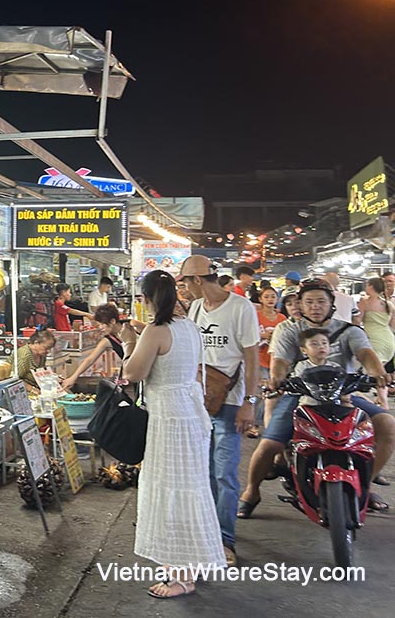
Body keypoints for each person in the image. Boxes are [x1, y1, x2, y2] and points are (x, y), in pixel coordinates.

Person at [238, 279, 395, 516]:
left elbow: (366, 354)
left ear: (332, 303)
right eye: (309, 302)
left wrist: (378, 374)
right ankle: (251, 491)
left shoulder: (350, 331)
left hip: (344, 394)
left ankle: (364, 485)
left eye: (321, 301)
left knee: (387, 424)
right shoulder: (288, 329)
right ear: (300, 304)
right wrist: (277, 379)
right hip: (300, 395)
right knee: (271, 443)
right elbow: (280, 361)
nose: (315, 307)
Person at [124, 270, 226, 599]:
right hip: (192, 412)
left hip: (169, 418)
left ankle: (182, 577)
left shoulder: (156, 330)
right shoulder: (190, 327)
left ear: (147, 300)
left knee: (172, 490)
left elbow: (133, 373)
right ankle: (190, 564)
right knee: (190, 487)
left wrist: (129, 342)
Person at [178, 255, 259, 566]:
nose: (183, 288)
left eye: (185, 281)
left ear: (198, 280)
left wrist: (249, 402)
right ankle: (207, 529)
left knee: (225, 473)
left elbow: (251, 359)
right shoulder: (197, 308)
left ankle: (225, 539)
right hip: (199, 400)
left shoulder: (240, 308)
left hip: (231, 402)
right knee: (203, 470)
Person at [62, 304, 137, 390]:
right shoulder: (108, 340)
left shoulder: (132, 325)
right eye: (99, 325)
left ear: (112, 321)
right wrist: (73, 377)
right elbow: (90, 359)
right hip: (134, 374)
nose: (100, 327)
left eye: (102, 324)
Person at [251, 286, 286, 437]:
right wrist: (263, 336)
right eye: (267, 297)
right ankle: (255, 424)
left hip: (276, 361)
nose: (270, 299)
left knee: (274, 393)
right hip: (259, 359)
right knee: (260, 392)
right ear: (260, 299)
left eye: (273, 296)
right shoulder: (255, 316)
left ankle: (269, 423)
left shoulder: (282, 319)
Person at [358, 276, 394, 412]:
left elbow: (357, 321)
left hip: (374, 341)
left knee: (376, 373)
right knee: (380, 370)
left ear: (371, 287)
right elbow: (393, 325)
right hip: (388, 340)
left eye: (367, 285)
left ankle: (383, 404)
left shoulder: (365, 302)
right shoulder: (388, 304)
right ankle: (380, 399)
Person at [294, 328, 350, 405]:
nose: (321, 347)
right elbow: (300, 384)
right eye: (314, 344)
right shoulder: (302, 366)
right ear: (304, 350)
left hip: (334, 403)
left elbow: (342, 384)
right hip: (309, 403)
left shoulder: (335, 366)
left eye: (324, 343)